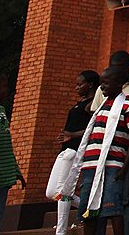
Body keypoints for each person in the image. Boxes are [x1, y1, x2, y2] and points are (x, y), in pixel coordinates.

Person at [61, 67, 129, 235]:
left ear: (119, 84)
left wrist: (125, 168)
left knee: (113, 208)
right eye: (101, 84)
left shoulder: (127, 106)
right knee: (89, 211)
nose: (102, 87)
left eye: (105, 83)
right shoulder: (100, 108)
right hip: (91, 166)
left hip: (113, 165)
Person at [88, 51, 129, 235]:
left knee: (126, 198)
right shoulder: (104, 87)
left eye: (119, 68)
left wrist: (127, 110)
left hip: (126, 150)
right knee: (98, 195)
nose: (114, 72)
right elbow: (94, 115)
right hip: (102, 150)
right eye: (112, 68)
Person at [47, 70, 100, 235]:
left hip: (75, 151)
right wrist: (65, 135)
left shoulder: (92, 103)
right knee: (51, 192)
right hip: (64, 150)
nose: (76, 87)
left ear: (90, 85)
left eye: (80, 84)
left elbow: (94, 127)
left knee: (63, 192)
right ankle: (88, 205)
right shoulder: (80, 102)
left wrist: (72, 135)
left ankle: (61, 231)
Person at [0, 73, 25, 235]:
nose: (6, 91)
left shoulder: (1, 111)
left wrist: (16, 171)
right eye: (2, 87)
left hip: (2, 178)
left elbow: (5, 145)